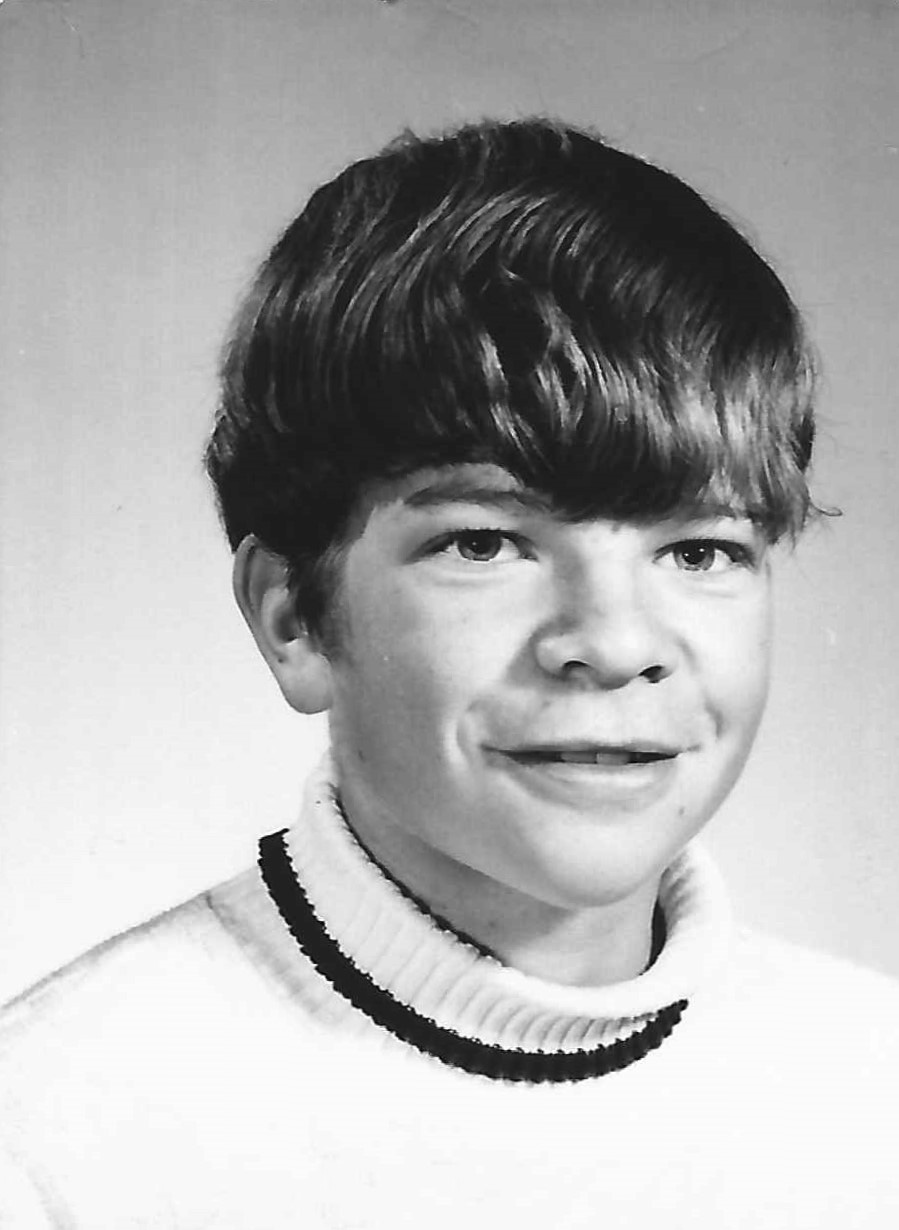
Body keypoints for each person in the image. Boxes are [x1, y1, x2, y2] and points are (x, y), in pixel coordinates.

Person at [1, 117, 897, 1229]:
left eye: (698, 551)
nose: (614, 643)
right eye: (484, 543)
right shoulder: (54, 1135)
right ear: (294, 618)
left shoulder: (867, 1090)